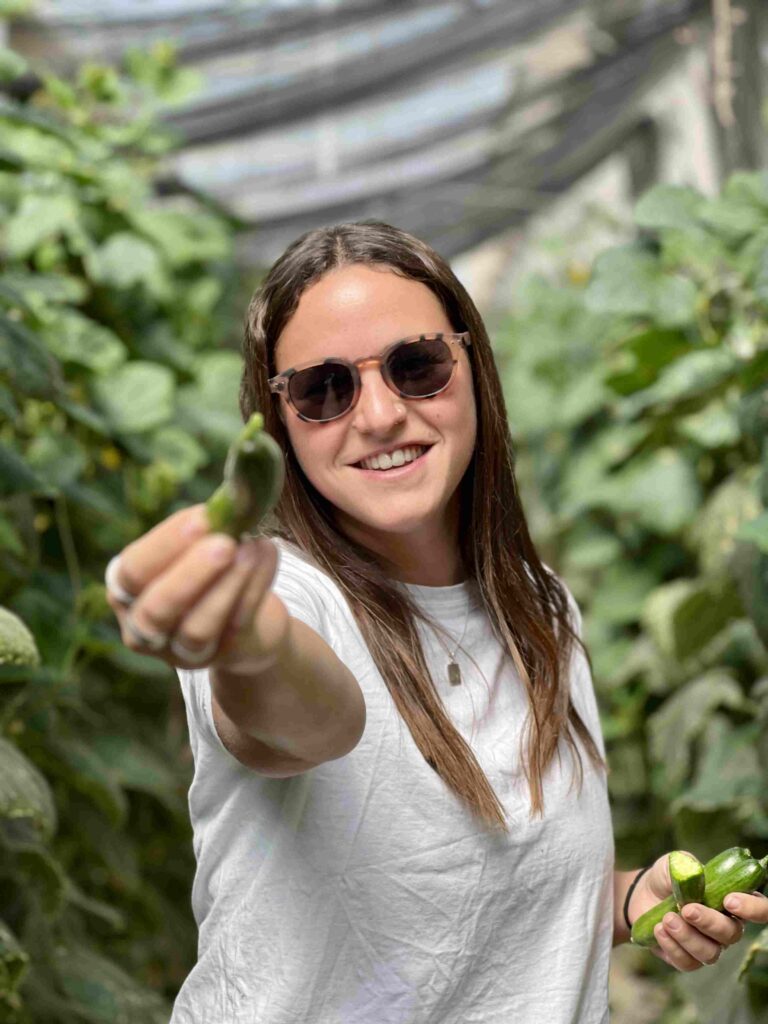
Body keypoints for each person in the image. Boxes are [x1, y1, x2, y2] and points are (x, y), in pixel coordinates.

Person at [104, 221, 768, 1024]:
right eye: (324, 389)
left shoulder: (541, 608)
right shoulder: (286, 596)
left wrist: (629, 901)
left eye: (416, 366)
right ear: (278, 424)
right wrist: (248, 639)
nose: (380, 415)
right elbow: (305, 722)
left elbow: (480, 904)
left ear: (472, 367)